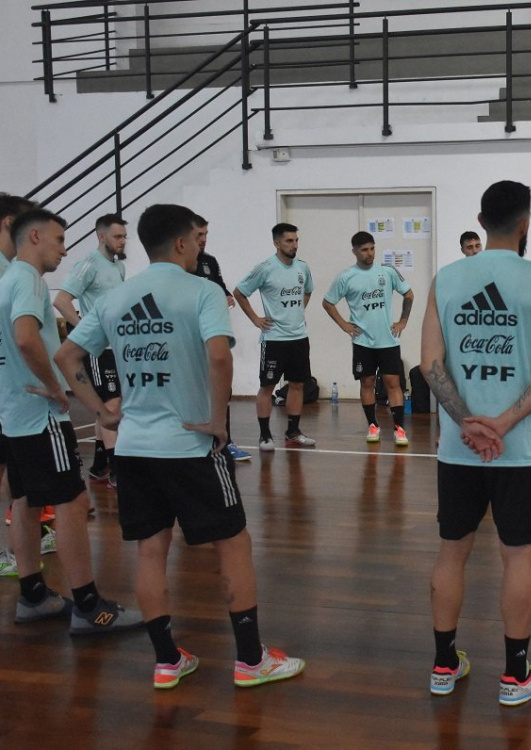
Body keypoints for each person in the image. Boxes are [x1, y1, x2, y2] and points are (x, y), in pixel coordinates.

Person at [55, 203, 305, 688]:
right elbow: (219, 358)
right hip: (190, 446)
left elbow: (67, 355)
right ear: (181, 243)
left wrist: (102, 412)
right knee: (233, 544)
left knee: (151, 551)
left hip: (133, 449)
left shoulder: (116, 297)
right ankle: (250, 661)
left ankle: (167, 660)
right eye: (197, 238)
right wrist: (217, 420)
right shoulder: (201, 291)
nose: (200, 247)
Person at [421, 180, 531, 707]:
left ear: (481, 222)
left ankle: (444, 666)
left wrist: (468, 422)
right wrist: (501, 424)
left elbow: (429, 365)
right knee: (517, 558)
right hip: (518, 450)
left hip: (458, 448)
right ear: (526, 224)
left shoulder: (446, 278)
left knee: (451, 552)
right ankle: (515, 677)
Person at [0, 207, 142, 634]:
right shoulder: (27, 279)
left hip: (13, 413)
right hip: (40, 414)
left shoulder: (6, 278)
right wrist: (55, 387)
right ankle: (88, 607)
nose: (65, 250)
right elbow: (25, 338)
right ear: (35, 237)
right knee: (73, 503)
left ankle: (33, 595)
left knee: (25, 502)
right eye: (60, 240)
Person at [0, 193, 56, 577]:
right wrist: (53, 384)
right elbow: (22, 337)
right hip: (13, 392)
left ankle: (21, 556)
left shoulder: (12, 271)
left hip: (11, 396)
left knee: (16, 483)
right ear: (12, 224)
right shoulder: (15, 275)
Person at [53, 213, 127, 488]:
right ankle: (117, 469)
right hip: (97, 348)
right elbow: (61, 300)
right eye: (117, 236)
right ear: (101, 236)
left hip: (115, 345)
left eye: (124, 237)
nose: (122, 241)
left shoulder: (119, 267)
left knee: (108, 403)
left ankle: (99, 465)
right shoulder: (88, 264)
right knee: (111, 403)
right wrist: (86, 330)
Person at [323, 231, 414, 446]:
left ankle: (399, 429)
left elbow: (409, 294)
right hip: (363, 342)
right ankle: (373, 425)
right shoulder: (346, 277)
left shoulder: (388, 271)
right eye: (364, 250)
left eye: (372, 248)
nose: (370, 253)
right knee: (367, 382)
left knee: (393, 383)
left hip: (388, 341)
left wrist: (403, 320)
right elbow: (328, 302)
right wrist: (344, 325)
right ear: (354, 251)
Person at [234, 222, 315, 451]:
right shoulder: (265, 268)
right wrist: (255, 319)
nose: (294, 245)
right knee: (267, 386)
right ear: (277, 243)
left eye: (296, 240)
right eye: (289, 241)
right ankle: (265, 435)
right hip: (274, 340)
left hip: (299, 338)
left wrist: (298, 312)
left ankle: (293, 432)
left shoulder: (302, 267)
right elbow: (240, 292)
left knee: (297, 385)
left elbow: (308, 291)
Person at [191, 215, 251, 462]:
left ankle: (224, 441)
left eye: (206, 234)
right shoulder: (179, 266)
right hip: (188, 342)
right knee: (194, 391)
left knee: (221, 388)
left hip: (210, 337)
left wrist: (226, 296)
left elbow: (219, 286)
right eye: (199, 235)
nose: (204, 239)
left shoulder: (209, 261)